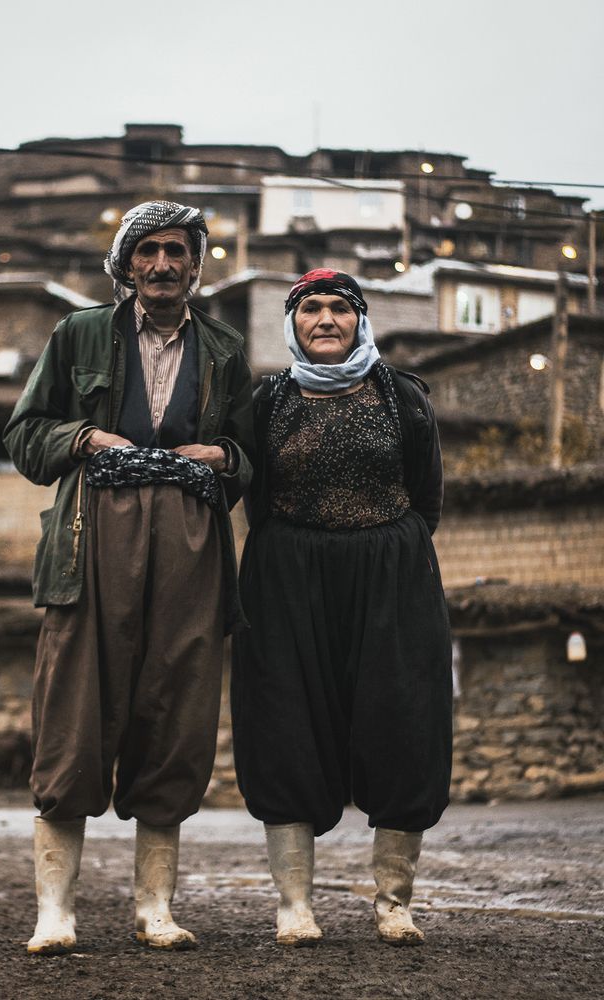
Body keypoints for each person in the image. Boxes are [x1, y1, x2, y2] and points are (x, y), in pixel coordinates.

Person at [4, 201, 254, 953]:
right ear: (126, 264)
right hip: (90, 545)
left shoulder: (225, 347)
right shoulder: (79, 333)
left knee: (175, 715)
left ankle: (155, 909)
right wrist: (82, 435)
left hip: (189, 549)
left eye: (177, 250)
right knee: (73, 718)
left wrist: (224, 459)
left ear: (195, 263)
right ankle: (56, 912)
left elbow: (248, 458)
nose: (163, 264)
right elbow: (24, 435)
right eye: (147, 251)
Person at [231, 269, 452, 947]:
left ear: (361, 320)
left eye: (338, 309)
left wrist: (387, 548)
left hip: (390, 573)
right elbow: (251, 493)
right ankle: (294, 906)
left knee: (403, 719)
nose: (324, 319)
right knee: (285, 723)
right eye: (310, 309)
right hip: (289, 577)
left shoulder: (404, 397)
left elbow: (427, 494)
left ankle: (394, 902)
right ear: (291, 323)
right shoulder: (264, 402)